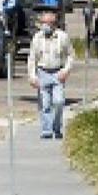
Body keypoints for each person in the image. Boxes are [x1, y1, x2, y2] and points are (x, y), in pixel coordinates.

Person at [27, 9, 73, 139]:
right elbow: (32, 58)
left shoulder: (62, 37)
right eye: (43, 23)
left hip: (58, 72)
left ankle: (57, 127)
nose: (45, 25)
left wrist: (66, 70)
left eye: (48, 23)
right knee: (45, 104)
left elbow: (70, 56)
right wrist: (32, 76)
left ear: (54, 24)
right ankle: (46, 130)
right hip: (43, 72)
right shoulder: (37, 38)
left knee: (59, 101)